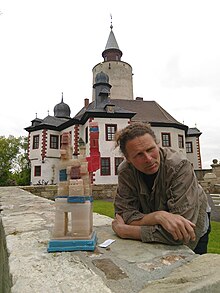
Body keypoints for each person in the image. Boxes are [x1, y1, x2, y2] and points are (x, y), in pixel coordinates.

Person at [112, 123, 211, 254]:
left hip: (196, 220)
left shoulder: (179, 166)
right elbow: (124, 214)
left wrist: (126, 231)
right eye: (139, 155)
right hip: (155, 214)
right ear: (128, 159)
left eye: (150, 149)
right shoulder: (126, 171)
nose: (148, 159)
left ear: (158, 145)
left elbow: (181, 232)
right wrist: (158, 216)